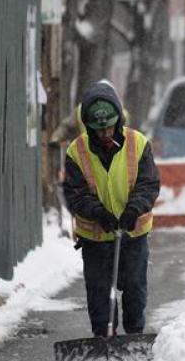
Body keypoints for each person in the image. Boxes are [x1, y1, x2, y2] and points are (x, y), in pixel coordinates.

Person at [62, 79, 160, 336]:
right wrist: (98, 213)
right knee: (99, 291)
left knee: (135, 287)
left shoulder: (138, 144)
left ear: (118, 119)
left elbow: (148, 184)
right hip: (95, 237)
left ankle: (134, 335)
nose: (105, 134)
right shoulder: (77, 151)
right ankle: (103, 338)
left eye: (109, 127)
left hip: (132, 233)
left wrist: (132, 210)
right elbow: (75, 193)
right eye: (98, 129)